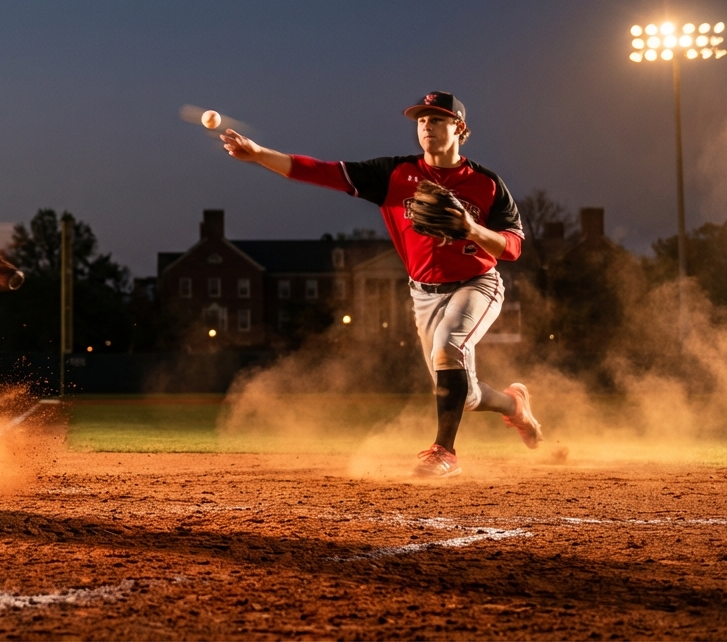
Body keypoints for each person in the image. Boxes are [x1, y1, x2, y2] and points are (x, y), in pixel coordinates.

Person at [219, 91, 543, 477]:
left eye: (437, 119)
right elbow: (322, 171)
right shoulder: (395, 174)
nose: (427, 126)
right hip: (423, 293)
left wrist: (472, 228)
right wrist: (259, 154)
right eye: (421, 120)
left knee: (448, 348)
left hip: (477, 283)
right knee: (466, 392)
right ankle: (514, 406)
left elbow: (513, 247)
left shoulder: (486, 184)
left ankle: (444, 453)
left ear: (459, 127)